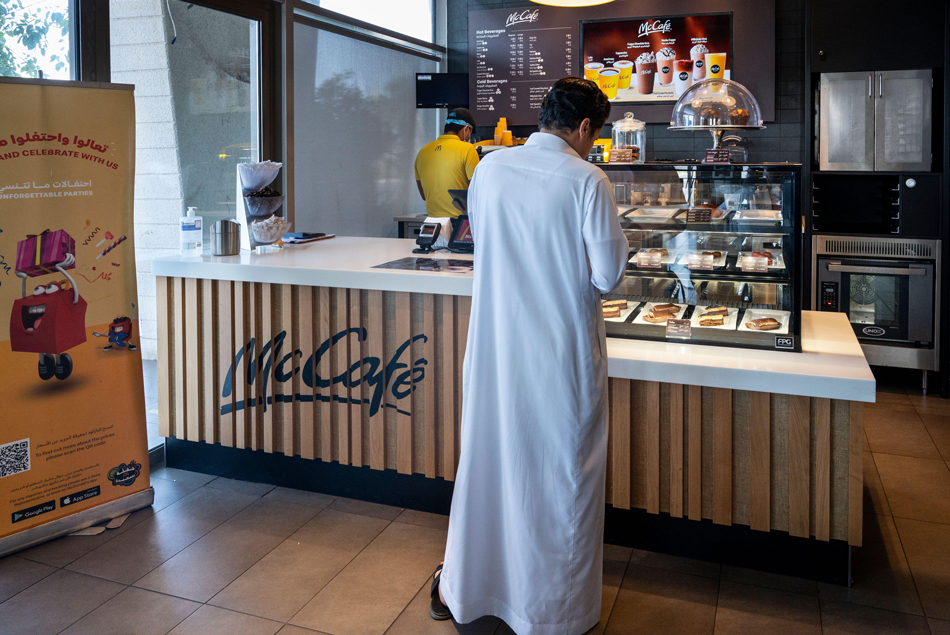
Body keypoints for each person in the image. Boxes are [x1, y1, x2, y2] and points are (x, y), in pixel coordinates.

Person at [431, 78, 628, 634]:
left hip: (497, 352)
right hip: (558, 357)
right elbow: (608, 275)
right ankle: (553, 614)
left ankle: (475, 591)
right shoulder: (589, 180)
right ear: (586, 128)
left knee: (493, 469)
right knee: (560, 479)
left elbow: (488, 240)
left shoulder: (491, 167)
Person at [414, 108, 479, 219]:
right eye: (470, 133)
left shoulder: (423, 152)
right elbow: (477, 190)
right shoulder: (468, 149)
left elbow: (424, 195)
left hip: (432, 224)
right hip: (459, 224)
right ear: (466, 129)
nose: (469, 137)